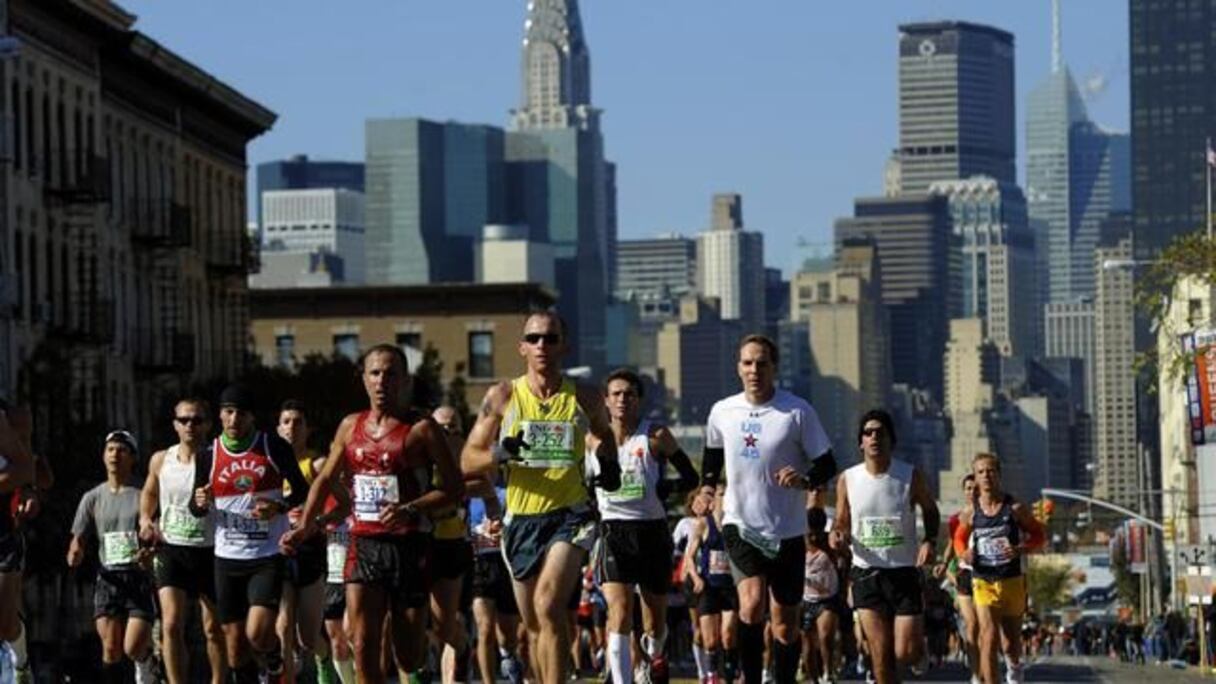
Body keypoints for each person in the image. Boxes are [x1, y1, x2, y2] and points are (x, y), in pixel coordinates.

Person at [282, 344, 464, 684]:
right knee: (362, 642)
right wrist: (305, 526)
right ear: (364, 379)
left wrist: (410, 508)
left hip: (410, 547)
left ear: (405, 380)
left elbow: (454, 489)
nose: (383, 381)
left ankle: (429, 657)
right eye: (375, 373)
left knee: (407, 654)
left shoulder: (422, 428)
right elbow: (324, 479)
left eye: (391, 373)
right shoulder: (350, 426)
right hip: (363, 545)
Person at [461, 311, 622, 684]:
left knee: (548, 604)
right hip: (520, 519)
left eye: (550, 338)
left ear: (563, 345)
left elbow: (604, 435)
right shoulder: (503, 396)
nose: (541, 346)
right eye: (533, 339)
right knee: (533, 625)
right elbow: (468, 457)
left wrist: (608, 463)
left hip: (571, 515)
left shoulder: (583, 396)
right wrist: (502, 454)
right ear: (522, 348)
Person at [701, 334, 836, 684]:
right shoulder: (722, 411)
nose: (754, 369)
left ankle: (785, 678)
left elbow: (827, 463)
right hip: (740, 524)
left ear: (774, 368)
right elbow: (713, 454)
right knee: (751, 602)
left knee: (784, 623)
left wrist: (804, 480)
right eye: (747, 362)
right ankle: (750, 677)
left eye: (762, 363)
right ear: (738, 368)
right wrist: (706, 487)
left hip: (787, 530)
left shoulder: (796, 411)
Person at [190, 385, 311, 683]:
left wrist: (279, 506)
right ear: (219, 415)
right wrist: (200, 502)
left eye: (240, 414)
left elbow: (302, 491)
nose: (233, 420)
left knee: (257, 633)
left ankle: (272, 655)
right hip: (226, 558)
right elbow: (195, 507)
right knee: (235, 649)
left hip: (266, 555)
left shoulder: (272, 446)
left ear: (252, 417)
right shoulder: (208, 455)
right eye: (228, 412)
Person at [586, 368, 699, 684]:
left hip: (651, 532)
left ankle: (650, 660)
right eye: (616, 394)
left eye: (629, 394)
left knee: (654, 623)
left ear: (639, 400)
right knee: (619, 612)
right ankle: (621, 678)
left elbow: (691, 477)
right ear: (606, 401)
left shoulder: (656, 436)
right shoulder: (591, 440)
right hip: (612, 532)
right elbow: (580, 485)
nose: (622, 399)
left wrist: (670, 488)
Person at [831, 409, 939, 684]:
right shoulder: (848, 479)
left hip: (903, 573)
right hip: (866, 574)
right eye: (868, 433)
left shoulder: (909, 475)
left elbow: (930, 509)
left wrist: (930, 540)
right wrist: (838, 536)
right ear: (861, 443)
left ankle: (918, 651)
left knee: (905, 652)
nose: (874, 437)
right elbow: (841, 520)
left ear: (892, 439)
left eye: (880, 432)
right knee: (880, 656)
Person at [138, 397, 226, 684]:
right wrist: (145, 519)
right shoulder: (161, 459)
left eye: (198, 420)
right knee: (172, 623)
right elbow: (150, 493)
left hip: (211, 549)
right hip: (172, 548)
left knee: (213, 627)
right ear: (175, 425)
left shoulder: (218, 458)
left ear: (209, 425)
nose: (191, 425)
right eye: (184, 420)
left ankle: (218, 680)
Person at [67, 430, 158, 684]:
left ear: (133, 458)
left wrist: (150, 551)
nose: (115, 455)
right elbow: (78, 537)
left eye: (122, 450)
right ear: (103, 456)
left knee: (132, 647)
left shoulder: (144, 493)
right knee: (110, 649)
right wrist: (75, 552)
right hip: (108, 579)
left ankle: (147, 662)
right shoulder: (92, 497)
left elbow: (159, 530)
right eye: (110, 449)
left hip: (138, 577)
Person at [952, 453, 1044, 684]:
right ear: (976, 476)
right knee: (988, 637)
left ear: (999, 475)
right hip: (983, 581)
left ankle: (1014, 668)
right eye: (981, 472)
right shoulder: (971, 512)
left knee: (1010, 644)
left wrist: (1022, 548)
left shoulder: (1015, 508)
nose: (986, 476)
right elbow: (958, 539)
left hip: (1012, 581)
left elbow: (1039, 535)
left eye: (990, 471)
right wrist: (964, 553)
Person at [275, 400, 335, 684]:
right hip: (278, 551)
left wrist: (316, 521)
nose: (291, 428)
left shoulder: (317, 463)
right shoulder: (269, 465)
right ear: (278, 428)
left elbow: (344, 505)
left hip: (310, 551)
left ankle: (324, 657)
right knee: (282, 628)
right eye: (286, 421)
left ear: (308, 429)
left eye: (298, 422)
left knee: (308, 638)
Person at [430, 405, 474, 684]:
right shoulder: (418, 459)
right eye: (440, 428)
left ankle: (462, 651)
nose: (446, 433)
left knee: (446, 626)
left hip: (454, 545)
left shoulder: (469, 461)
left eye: (452, 427)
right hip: (418, 544)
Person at [468, 480, 523, 684]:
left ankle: (508, 654)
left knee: (508, 634)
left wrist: (505, 531)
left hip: (505, 563)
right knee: (485, 628)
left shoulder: (507, 489)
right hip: (478, 563)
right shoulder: (468, 490)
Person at [683, 485, 738, 684]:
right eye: (721, 494)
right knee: (710, 640)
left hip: (730, 587)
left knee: (729, 635)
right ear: (714, 500)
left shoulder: (736, 525)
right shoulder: (703, 524)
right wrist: (696, 578)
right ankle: (711, 676)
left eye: (727, 494)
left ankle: (731, 675)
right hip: (709, 587)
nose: (724, 498)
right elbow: (689, 556)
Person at [0, 401, 35, 682]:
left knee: (4, 623)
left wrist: (28, 491)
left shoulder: (8, 418)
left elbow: (25, 469)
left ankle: (21, 661)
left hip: (1, 530)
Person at [938, 474, 980, 684]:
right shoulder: (956, 519)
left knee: (986, 626)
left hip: (988, 574)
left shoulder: (990, 514)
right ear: (964, 491)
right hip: (965, 574)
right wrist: (944, 564)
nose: (972, 491)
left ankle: (988, 664)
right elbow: (950, 545)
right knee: (971, 625)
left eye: (975, 488)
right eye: (969, 488)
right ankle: (975, 673)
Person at [673, 488, 712, 681]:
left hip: (715, 577)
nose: (701, 504)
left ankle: (715, 668)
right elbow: (676, 551)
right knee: (697, 627)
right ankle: (702, 671)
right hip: (692, 579)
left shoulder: (718, 522)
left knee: (715, 628)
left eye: (706, 500)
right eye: (697, 501)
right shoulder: (685, 524)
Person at [801, 508, 841, 684]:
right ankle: (814, 678)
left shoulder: (830, 544)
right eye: (810, 534)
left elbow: (845, 559)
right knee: (808, 646)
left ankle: (828, 672)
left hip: (828, 599)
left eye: (818, 533)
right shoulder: (798, 544)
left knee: (825, 637)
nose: (814, 538)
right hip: (806, 600)